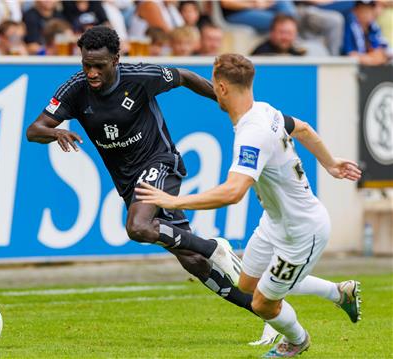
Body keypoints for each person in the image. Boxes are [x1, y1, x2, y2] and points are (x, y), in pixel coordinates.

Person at [26, 25, 273, 343]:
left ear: (116, 59)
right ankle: (268, 314)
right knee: (194, 263)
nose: (91, 72)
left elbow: (184, 76)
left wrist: (233, 107)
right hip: (129, 183)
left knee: (138, 227)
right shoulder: (75, 89)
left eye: (99, 65)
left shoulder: (140, 77)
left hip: (160, 164)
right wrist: (55, 132)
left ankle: (215, 247)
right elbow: (34, 129)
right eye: (86, 64)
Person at [135, 53, 363, 357]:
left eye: (214, 84)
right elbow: (304, 128)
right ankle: (338, 292)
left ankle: (297, 340)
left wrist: (174, 201)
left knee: (263, 303)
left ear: (222, 88)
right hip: (275, 224)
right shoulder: (265, 111)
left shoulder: (251, 133)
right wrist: (331, 163)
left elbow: (233, 192)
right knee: (246, 284)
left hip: (302, 231)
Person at [342, 0, 389, 66]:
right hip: (352, 67)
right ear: (355, 11)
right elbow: (350, 54)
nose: (365, 14)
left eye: (368, 10)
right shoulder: (349, 27)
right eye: (362, 10)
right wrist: (368, 59)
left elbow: (380, 50)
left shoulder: (374, 28)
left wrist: (374, 57)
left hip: (371, 66)